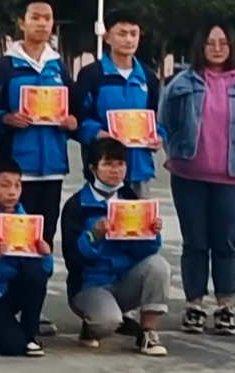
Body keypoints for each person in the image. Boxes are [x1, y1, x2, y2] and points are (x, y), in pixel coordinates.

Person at [160, 23, 235, 335]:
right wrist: (178, 152)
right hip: (188, 176)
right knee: (195, 242)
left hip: (233, 178)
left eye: (223, 43)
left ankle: (225, 307)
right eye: (210, 42)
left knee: (226, 243)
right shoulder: (182, 83)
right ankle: (194, 306)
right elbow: (165, 122)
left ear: (232, 47)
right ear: (200, 47)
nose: (217, 48)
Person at [0, 0, 77, 335]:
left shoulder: (59, 67)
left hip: (51, 168)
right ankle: (2, 307)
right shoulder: (2, 68)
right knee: (8, 240)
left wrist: (71, 123)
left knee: (41, 240)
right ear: (21, 23)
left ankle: (32, 310)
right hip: (15, 171)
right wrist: (5, 118)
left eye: (47, 18)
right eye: (35, 17)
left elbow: (75, 112)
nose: (42, 23)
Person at [61, 137, 170, 357]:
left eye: (120, 164)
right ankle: (90, 326)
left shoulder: (131, 200)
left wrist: (151, 233)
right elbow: (72, 259)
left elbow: (144, 253)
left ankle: (148, 332)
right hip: (89, 285)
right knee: (107, 323)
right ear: (93, 168)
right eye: (108, 164)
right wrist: (93, 236)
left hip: (123, 281)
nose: (115, 170)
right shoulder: (77, 205)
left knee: (158, 266)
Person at [74, 10, 164, 198]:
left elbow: (158, 117)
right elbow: (79, 117)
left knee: (137, 216)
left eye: (133, 34)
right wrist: (99, 134)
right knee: (101, 215)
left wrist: (159, 137)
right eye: (122, 34)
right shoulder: (91, 75)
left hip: (139, 169)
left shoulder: (148, 77)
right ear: (107, 37)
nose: (128, 40)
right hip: (104, 168)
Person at [0, 158, 54, 357]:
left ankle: (30, 333)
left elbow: (45, 271)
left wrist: (46, 255)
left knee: (35, 273)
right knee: (12, 347)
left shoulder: (29, 221)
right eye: (4, 185)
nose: (12, 192)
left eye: (17, 185)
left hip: (20, 289)